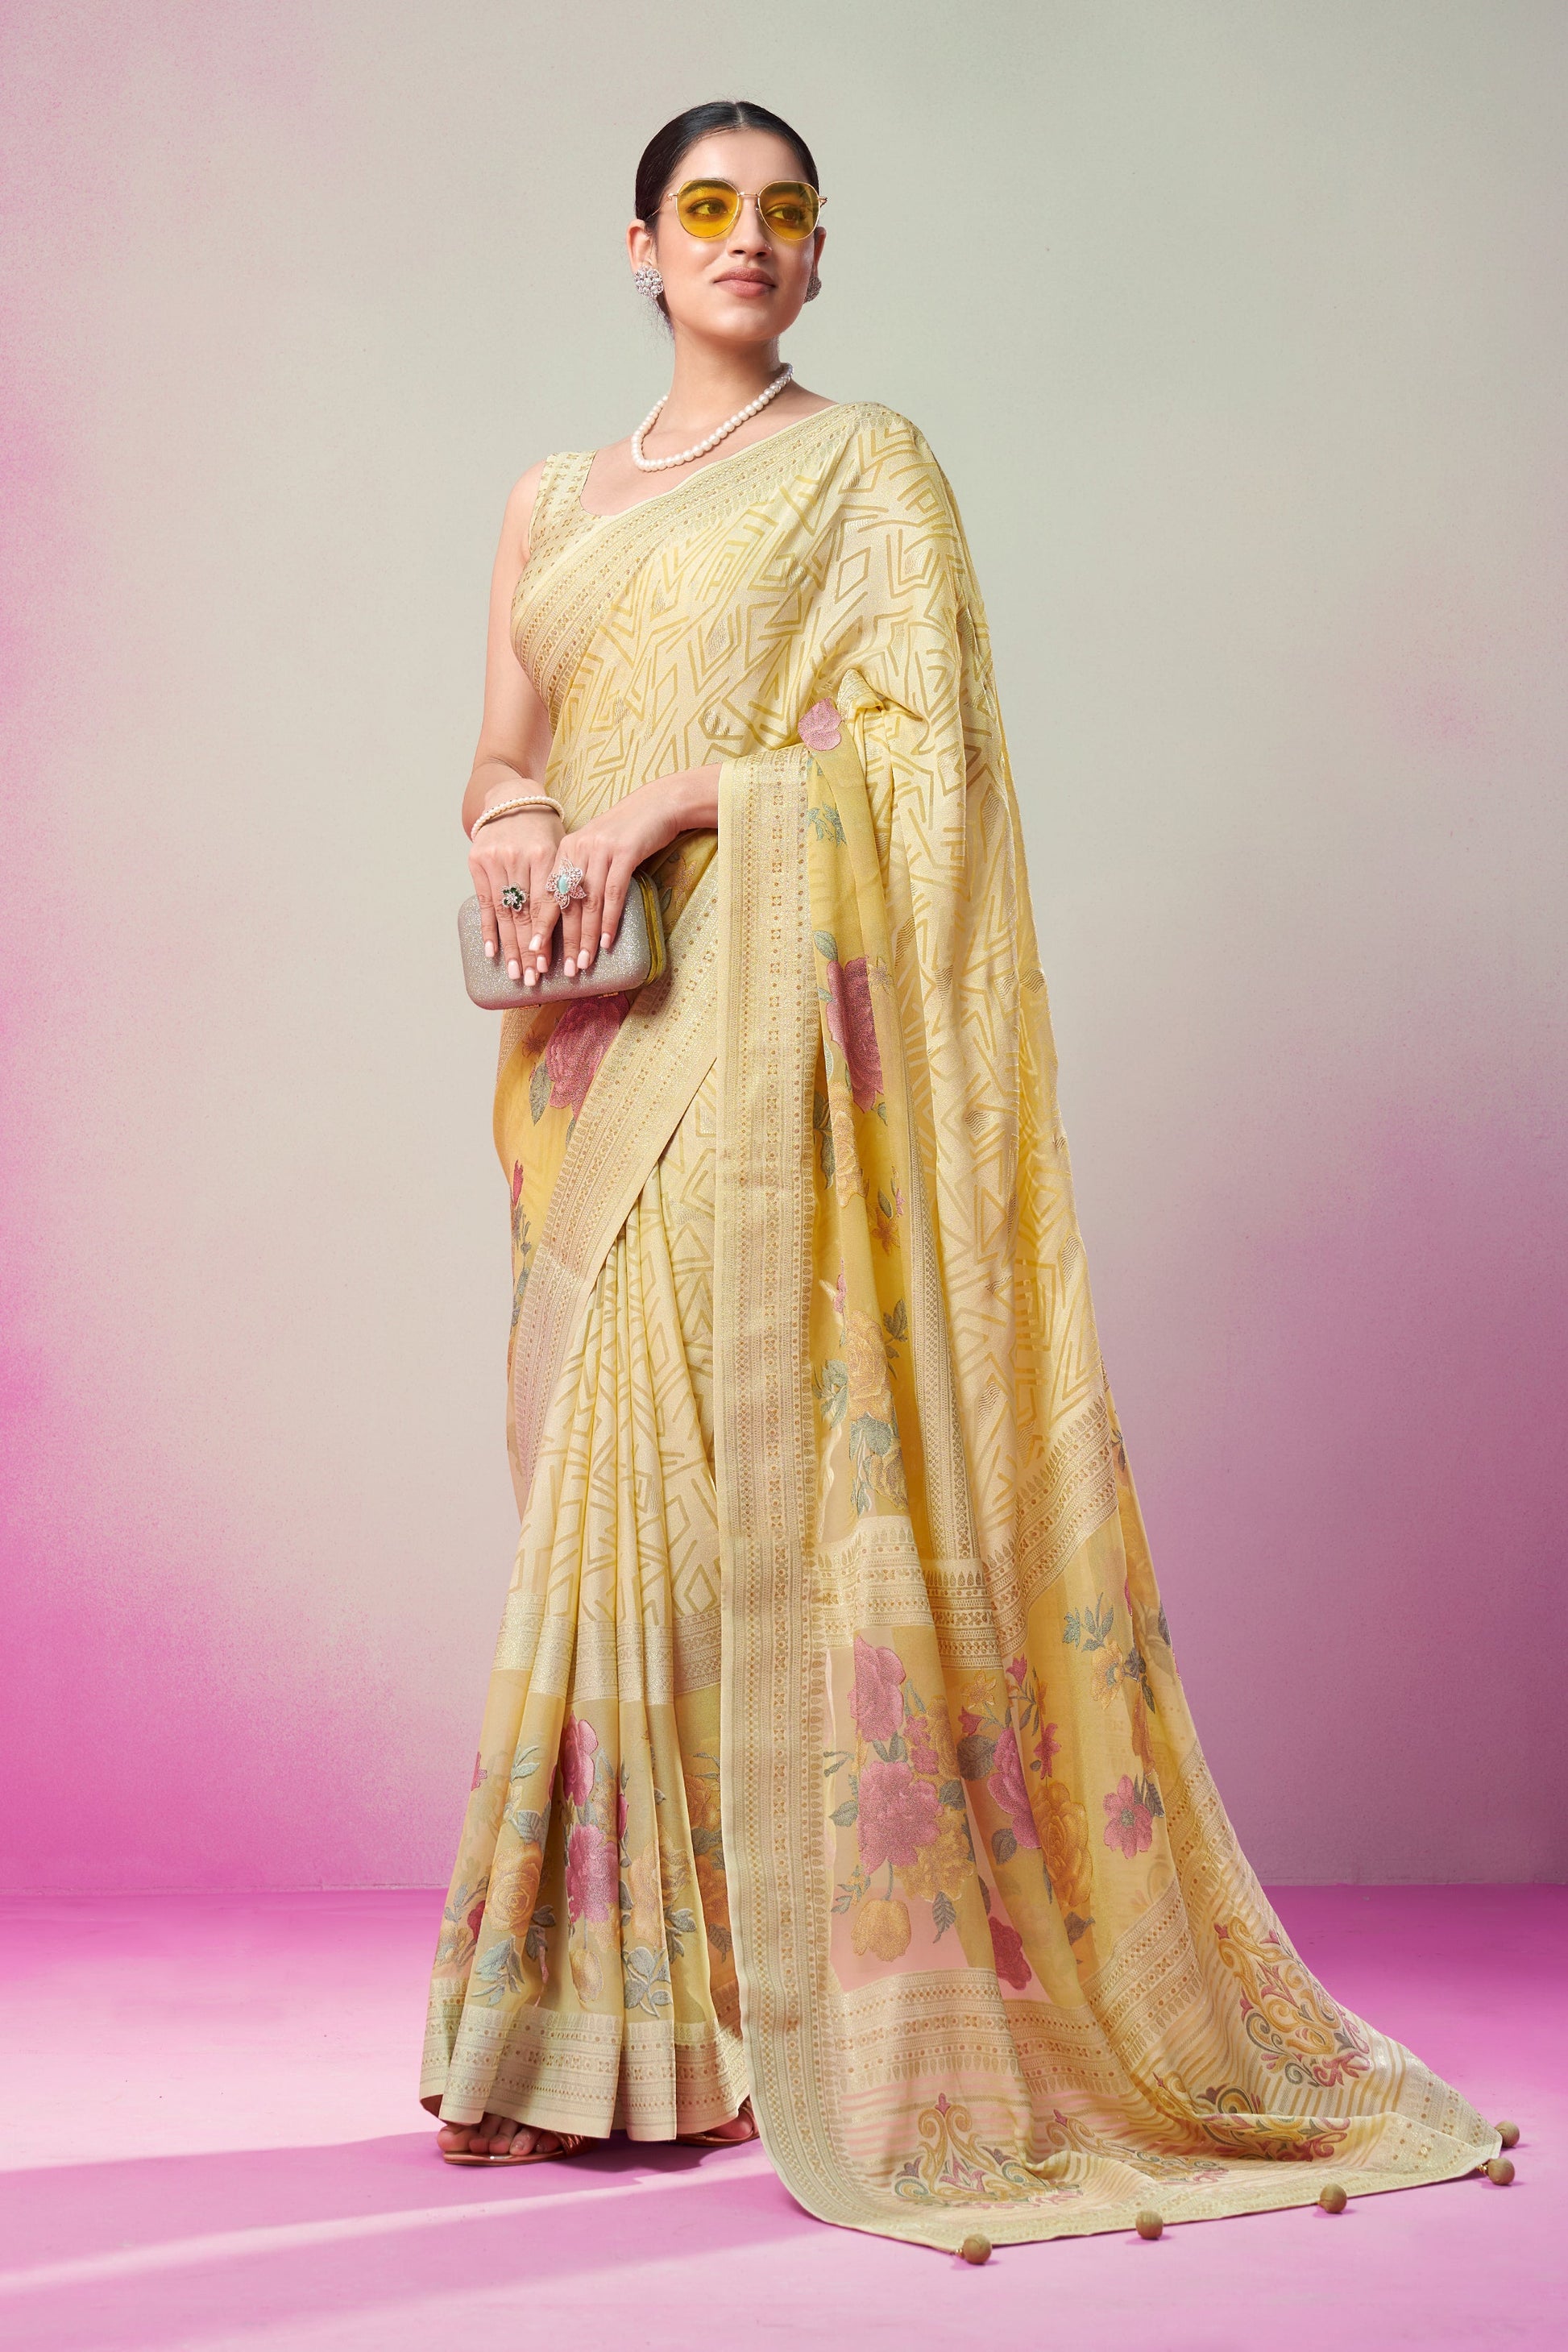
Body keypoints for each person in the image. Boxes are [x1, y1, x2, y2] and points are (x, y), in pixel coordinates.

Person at [421, 98, 1499, 2250]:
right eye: (706, 209)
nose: (747, 240)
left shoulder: (867, 470)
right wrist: (526, 830)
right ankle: (610, 2034)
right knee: (594, 1502)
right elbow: (501, 752)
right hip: (592, 1034)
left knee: (703, 1501)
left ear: (819, 257)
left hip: (755, 1042)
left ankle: (697, 2032)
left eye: (785, 214)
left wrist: (680, 804)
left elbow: (926, 759)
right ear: (638, 246)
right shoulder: (551, 499)